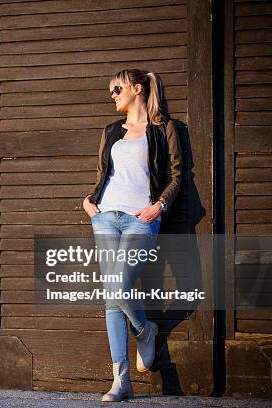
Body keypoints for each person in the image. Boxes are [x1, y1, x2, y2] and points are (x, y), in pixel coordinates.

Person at [82, 69, 183, 402]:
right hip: (105, 216)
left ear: (137, 89)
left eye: (117, 88)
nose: (112, 94)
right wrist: (90, 200)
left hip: (141, 218)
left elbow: (177, 175)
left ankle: (145, 330)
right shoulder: (111, 131)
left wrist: (160, 205)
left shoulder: (163, 129)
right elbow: (103, 173)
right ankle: (121, 381)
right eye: (111, 90)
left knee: (119, 286)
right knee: (112, 297)